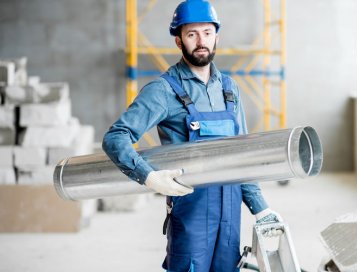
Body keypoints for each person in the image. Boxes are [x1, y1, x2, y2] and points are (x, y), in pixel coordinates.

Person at [102, 0, 281, 271]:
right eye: (191, 34)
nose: (201, 41)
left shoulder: (230, 89)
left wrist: (261, 209)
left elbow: (241, 158)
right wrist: (148, 176)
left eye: (207, 33)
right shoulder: (163, 90)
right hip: (191, 212)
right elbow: (116, 137)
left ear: (216, 36)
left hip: (229, 214)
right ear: (179, 41)